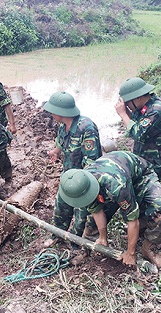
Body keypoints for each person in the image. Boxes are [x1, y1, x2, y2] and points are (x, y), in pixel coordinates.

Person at [58, 151, 161, 268]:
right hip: (116, 180)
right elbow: (97, 211)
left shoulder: (116, 186)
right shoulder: (83, 183)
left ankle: (149, 248)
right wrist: (103, 237)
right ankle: (89, 245)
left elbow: (132, 220)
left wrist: (130, 253)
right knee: (91, 222)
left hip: (140, 177)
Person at [42, 91, 102, 249]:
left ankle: (75, 243)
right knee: (61, 206)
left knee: (81, 213)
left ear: (61, 112)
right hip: (67, 175)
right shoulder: (63, 126)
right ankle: (57, 235)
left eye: (53, 110)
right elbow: (61, 142)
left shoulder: (86, 128)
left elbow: (92, 161)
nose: (50, 113)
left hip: (83, 180)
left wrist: (83, 185)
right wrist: (56, 151)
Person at [115, 77, 161, 182]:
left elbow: (137, 133)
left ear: (137, 98)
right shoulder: (142, 108)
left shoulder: (156, 110)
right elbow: (133, 124)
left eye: (128, 102)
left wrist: (123, 114)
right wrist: (127, 113)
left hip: (159, 165)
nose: (128, 106)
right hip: (147, 161)